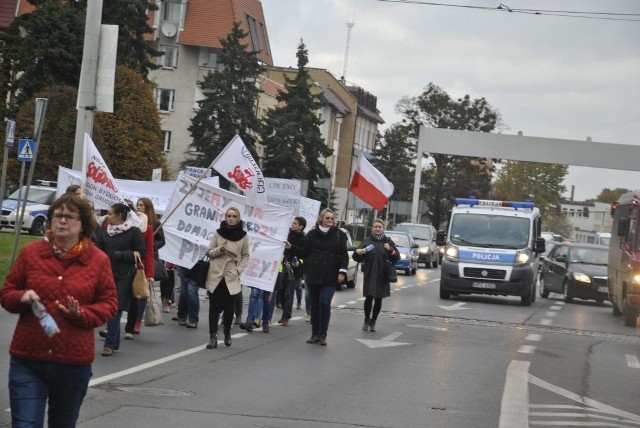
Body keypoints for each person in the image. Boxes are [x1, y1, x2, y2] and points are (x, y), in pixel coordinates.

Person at [1, 194, 117, 427]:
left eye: (70, 217)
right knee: (25, 424)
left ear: (83, 223)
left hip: (72, 363)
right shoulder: (31, 253)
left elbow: (109, 304)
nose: (62, 221)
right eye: (58, 215)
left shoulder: (98, 260)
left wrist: (81, 314)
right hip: (28, 359)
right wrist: (22, 297)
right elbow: (7, 293)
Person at [93, 202, 146, 356]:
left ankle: (109, 345)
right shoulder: (103, 233)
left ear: (120, 215)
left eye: (110, 214)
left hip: (125, 276)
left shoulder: (133, 232)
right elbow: (97, 252)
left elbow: (141, 252)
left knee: (115, 309)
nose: (107, 216)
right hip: (107, 275)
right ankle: (115, 341)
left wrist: (124, 255)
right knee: (109, 308)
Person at [204, 207, 250, 349]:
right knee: (214, 307)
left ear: (238, 218)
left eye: (234, 216)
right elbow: (209, 252)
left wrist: (238, 270)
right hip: (216, 275)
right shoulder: (218, 233)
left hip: (231, 276)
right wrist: (220, 250)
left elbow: (245, 255)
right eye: (229, 216)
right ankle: (212, 336)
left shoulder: (243, 235)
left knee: (229, 308)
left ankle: (227, 332)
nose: (231, 218)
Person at [301, 208, 348, 346]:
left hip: (331, 274)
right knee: (315, 305)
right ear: (321, 218)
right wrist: (291, 247)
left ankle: (323, 334)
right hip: (314, 273)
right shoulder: (312, 234)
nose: (330, 220)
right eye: (327, 218)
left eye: (332, 218)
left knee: (324, 302)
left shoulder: (339, 234)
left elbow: (344, 255)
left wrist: (342, 272)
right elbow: (305, 251)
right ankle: (314, 334)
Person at [352, 218, 400, 332]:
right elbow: (357, 258)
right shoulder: (367, 241)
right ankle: (366, 320)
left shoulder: (387, 241)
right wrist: (357, 252)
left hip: (382, 274)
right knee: (368, 298)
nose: (377, 229)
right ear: (372, 229)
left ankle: (373, 321)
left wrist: (390, 250)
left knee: (378, 299)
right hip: (370, 273)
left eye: (379, 227)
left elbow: (396, 257)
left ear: (383, 229)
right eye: (375, 227)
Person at [123, 212, 154, 339]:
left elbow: (150, 252)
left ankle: (133, 325)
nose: (139, 208)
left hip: (139, 268)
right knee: (116, 297)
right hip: (122, 265)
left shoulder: (148, 228)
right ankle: (111, 327)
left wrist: (150, 273)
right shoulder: (122, 226)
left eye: (142, 206)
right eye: (138, 205)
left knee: (136, 297)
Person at [279, 217, 306, 326]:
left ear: (301, 226)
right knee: (281, 292)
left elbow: (304, 253)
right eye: (292, 223)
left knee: (288, 293)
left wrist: (292, 248)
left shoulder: (304, 239)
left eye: (295, 223)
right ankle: (285, 313)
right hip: (284, 268)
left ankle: (286, 317)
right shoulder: (287, 234)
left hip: (296, 271)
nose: (293, 225)